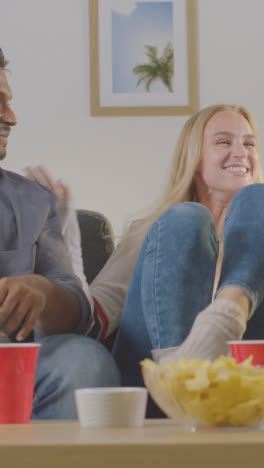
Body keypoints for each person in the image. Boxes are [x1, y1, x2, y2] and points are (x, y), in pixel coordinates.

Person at [27, 105, 264, 414]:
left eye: (249, 143)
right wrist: (63, 241)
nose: (240, 152)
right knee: (187, 219)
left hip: (240, 389)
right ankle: (183, 378)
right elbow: (90, 324)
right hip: (154, 389)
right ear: (193, 159)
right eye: (223, 142)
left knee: (258, 202)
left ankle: (221, 325)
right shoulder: (156, 232)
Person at [0, 48, 120, 419]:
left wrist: (42, 290)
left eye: (9, 102)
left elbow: (77, 312)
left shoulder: (33, 200)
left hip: (12, 367)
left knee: (83, 360)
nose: (12, 118)